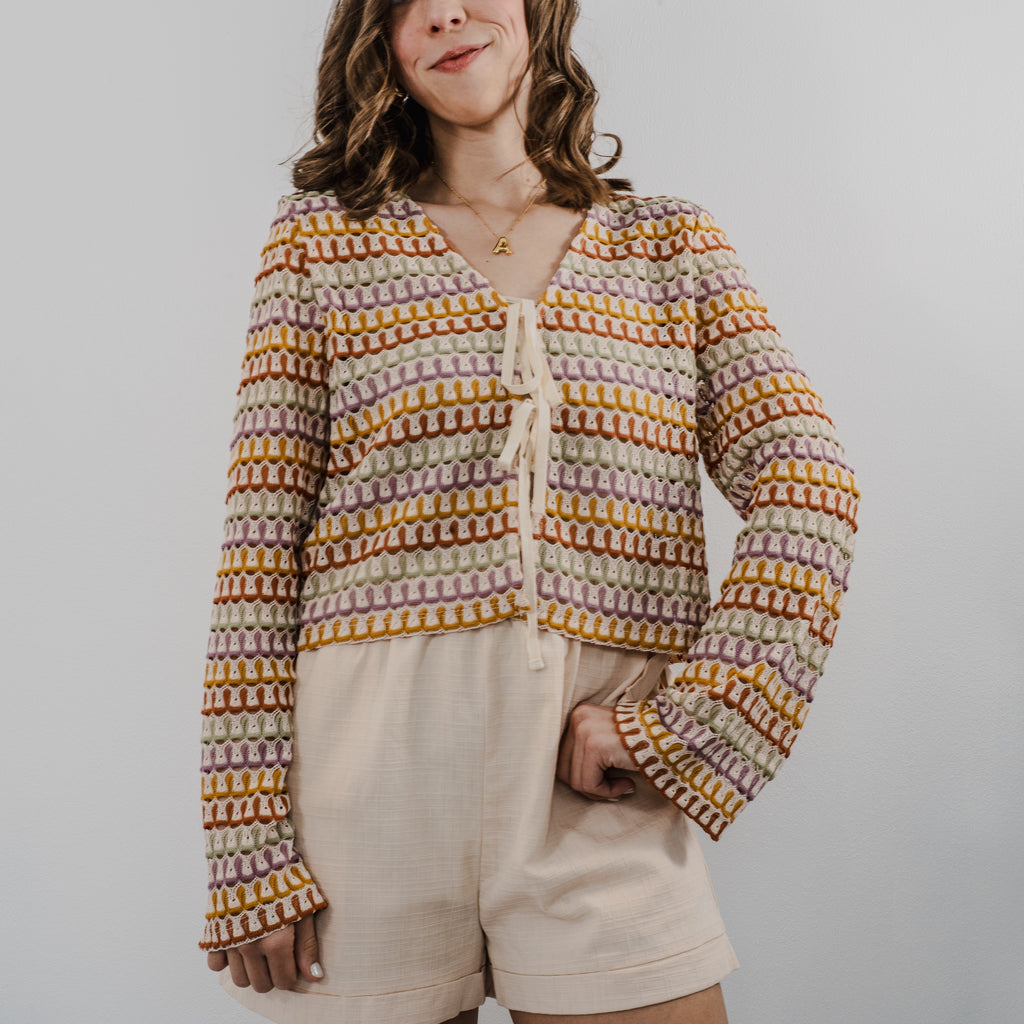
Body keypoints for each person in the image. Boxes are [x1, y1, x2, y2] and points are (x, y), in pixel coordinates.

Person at [199, 1, 859, 1022]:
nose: (445, 13)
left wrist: (695, 720)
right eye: (407, 3)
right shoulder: (321, 245)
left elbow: (809, 478)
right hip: (365, 795)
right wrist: (245, 838)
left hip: (592, 796)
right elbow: (259, 550)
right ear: (381, 44)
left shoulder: (668, 247)